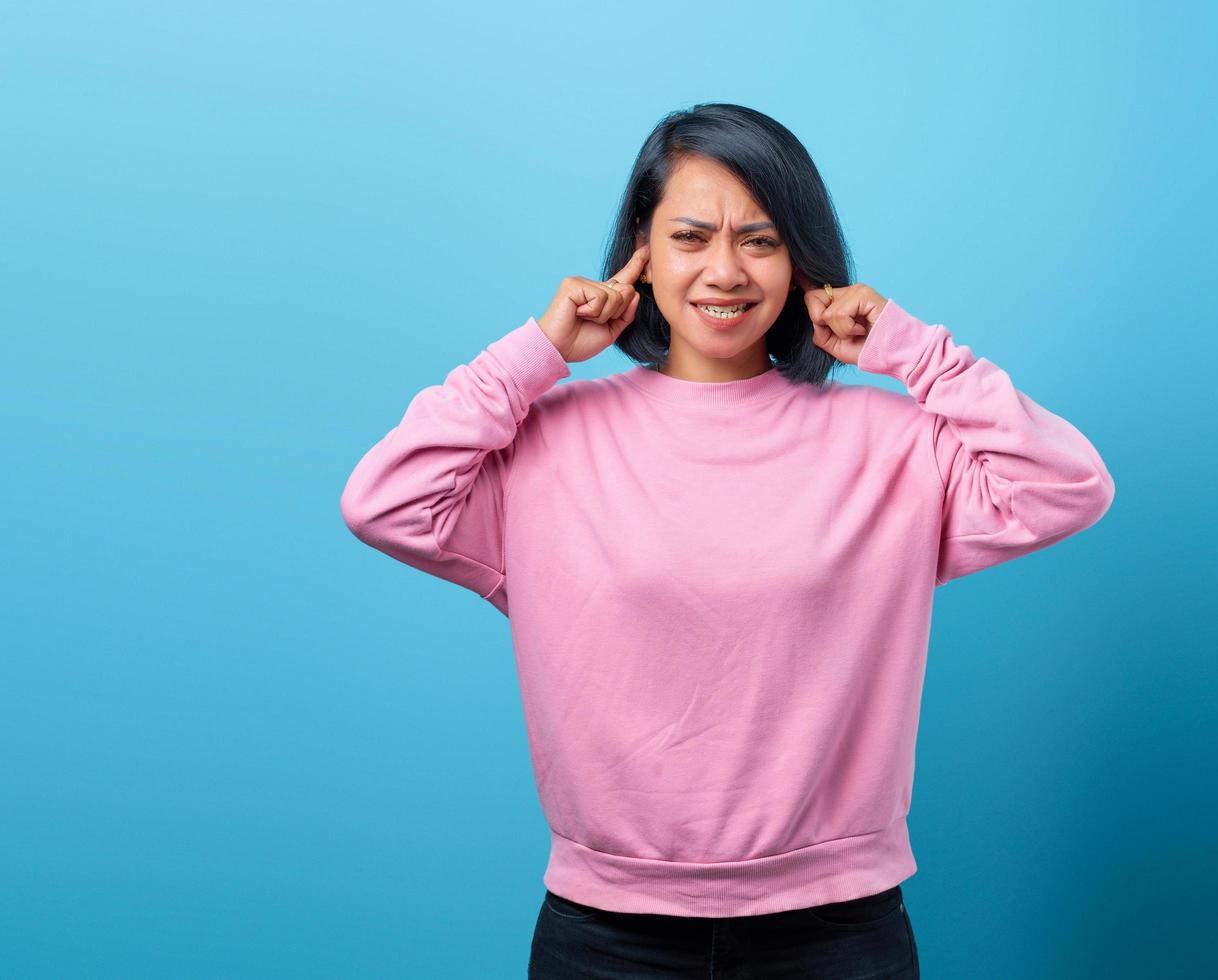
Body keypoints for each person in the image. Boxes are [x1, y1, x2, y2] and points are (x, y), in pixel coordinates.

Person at [340, 102, 1115, 978]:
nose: (725, 270)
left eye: (759, 239)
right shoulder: (547, 440)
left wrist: (916, 353)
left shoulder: (889, 442)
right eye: (691, 235)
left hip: (836, 931)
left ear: (800, 260)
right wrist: (536, 354)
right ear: (641, 248)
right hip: (607, 934)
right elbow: (386, 502)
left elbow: (1069, 484)